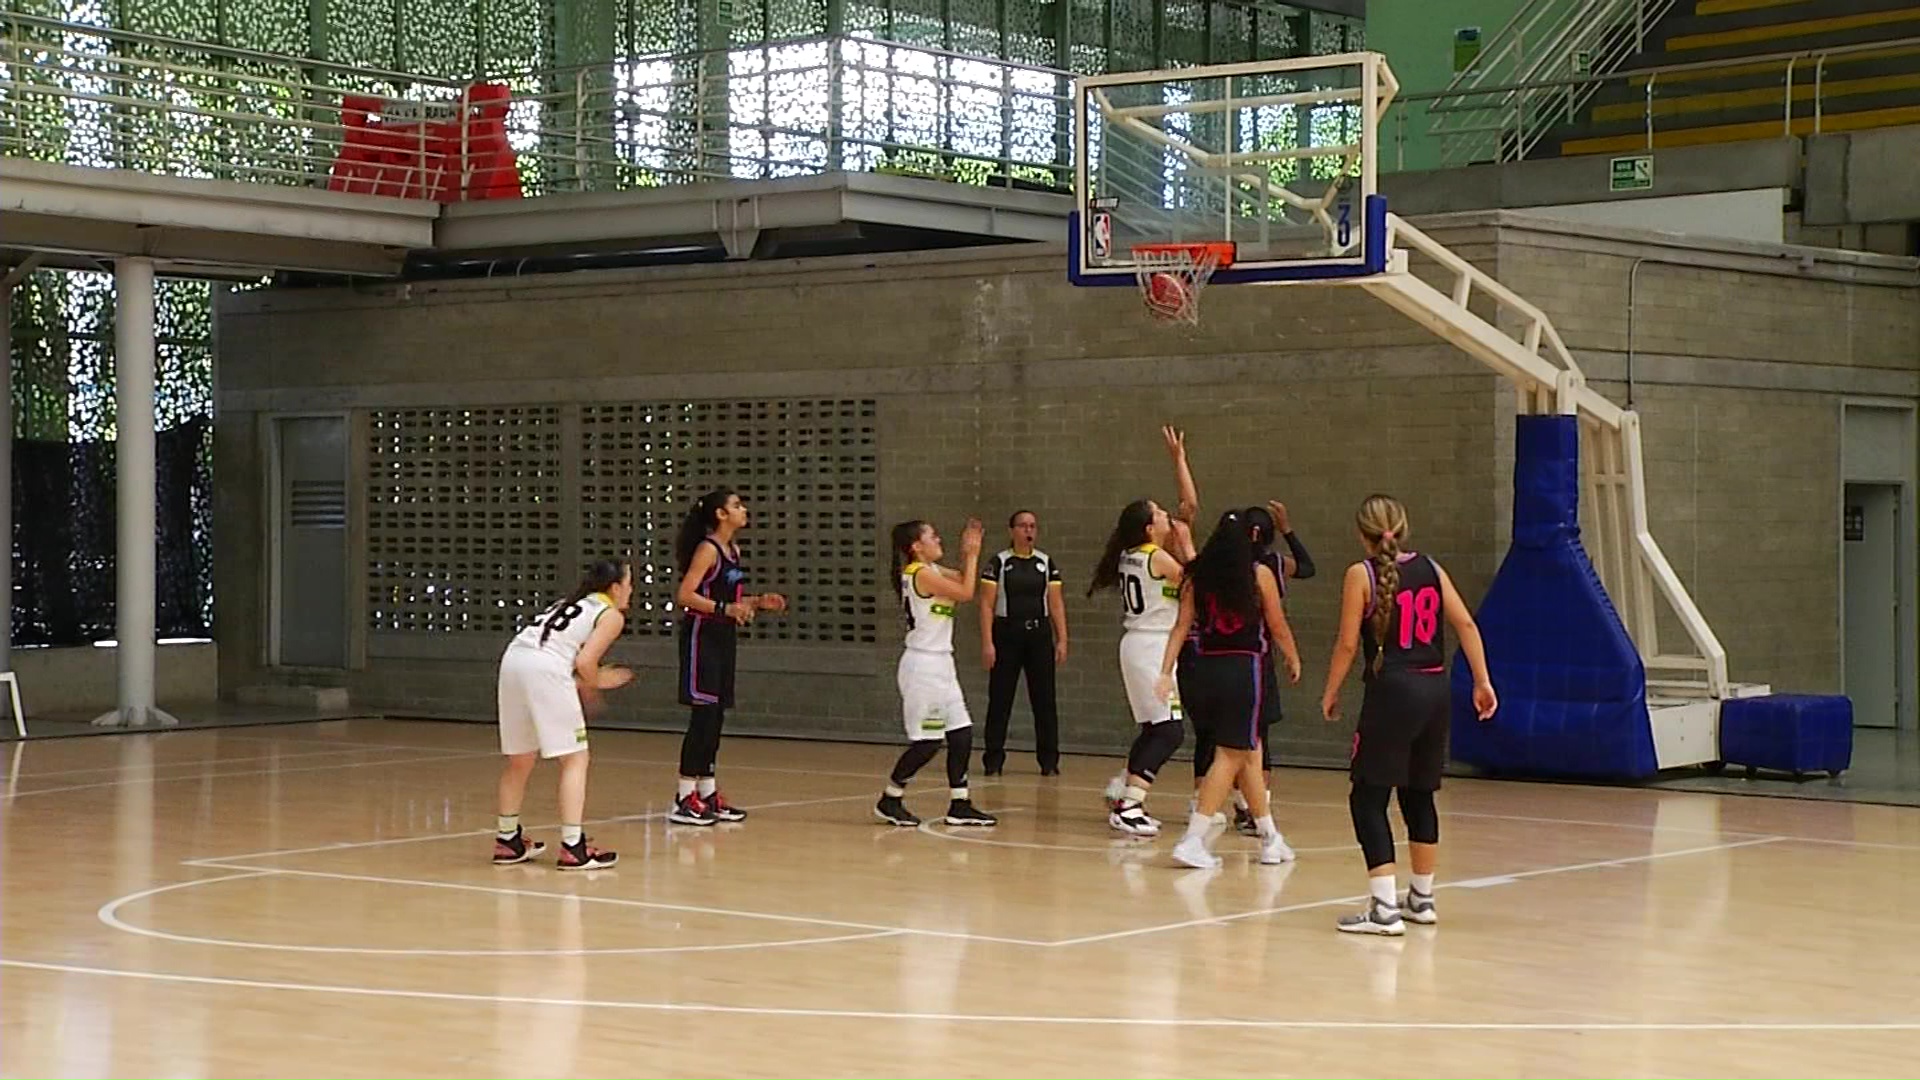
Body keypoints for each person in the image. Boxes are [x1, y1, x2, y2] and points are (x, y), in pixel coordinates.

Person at [1320, 495, 1497, 935]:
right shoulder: (1433, 569)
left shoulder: (1360, 574)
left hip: (1393, 691)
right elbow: (1468, 625)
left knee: (1367, 796)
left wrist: (1331, 690)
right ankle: (1421, 898)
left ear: (1362, 534)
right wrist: (1482, 680)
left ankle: (1383, 909)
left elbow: (1346, 645)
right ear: (1402, 528)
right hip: (1435, 689)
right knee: (1419, 794)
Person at [1155, 510, 1302, 869]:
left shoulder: (1196, 577)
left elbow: (1179, 627)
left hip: (1205, 668)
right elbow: (1278, 625)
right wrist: (1293, 657)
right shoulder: (1258, 574)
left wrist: (1165, 671)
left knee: (1249, 753)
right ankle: (1193, 838)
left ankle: (1270, 837)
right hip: (1243, 667)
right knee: (1231, 755)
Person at [492, 558, 634, 871]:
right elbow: (585, 663)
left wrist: (584, 683)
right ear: (614, 587)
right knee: (575, 759)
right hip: (545, 668)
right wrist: (598, 682)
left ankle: (507, 841)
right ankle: (573, 847)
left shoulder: (567, 603)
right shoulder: (609, 614)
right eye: (629, 583)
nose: (631, 590)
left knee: (520, 758)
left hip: (514, 661)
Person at [1094, 426, 1200, 836]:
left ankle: (1125, 792)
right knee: (1170, 730)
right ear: (1149, 527)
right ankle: (1130, 804)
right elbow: (1197, 579)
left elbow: (1188, 507)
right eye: (1159, 514)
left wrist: (1179, 461)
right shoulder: (1158, 558)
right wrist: (1189, 549)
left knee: (1156, 728)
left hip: (1138, 644)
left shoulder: (1132, 554)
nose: (1166, 517)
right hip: (1154, 647)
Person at [670, 488, 787, 826]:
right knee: (702, 717)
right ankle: (683, 796)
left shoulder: (733, 550)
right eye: (736, 505)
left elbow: (728, 600)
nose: (743, 508)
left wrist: (757, 602)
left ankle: (706, 792)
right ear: (721, 514)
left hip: (723, 636)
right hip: (700, 636)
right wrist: (725, 608)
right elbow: (685, 595)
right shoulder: (707, 549)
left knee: (717, 716)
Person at [875, 517, 998, 828]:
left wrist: (966, 555)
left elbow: (960, 578)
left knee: (961, 732)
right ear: (917, 546)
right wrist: (971, 554)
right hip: (923, 666)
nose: (938, 539)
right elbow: (966, 592)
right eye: (933, 536)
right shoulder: (919, 573)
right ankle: (890, 798)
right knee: (928, 741)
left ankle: (960, 803)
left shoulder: (930, 570)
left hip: (942, 663)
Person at [1208, 499, 1318, 836]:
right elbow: (1308, 567)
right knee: (1255, 739)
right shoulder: (1268, 565)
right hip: (1255, 655)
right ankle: (1252, 809)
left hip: (1217, 656)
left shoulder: (1219, 564)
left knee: (1227, 740)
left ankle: (1236, 806)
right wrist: (1289, 529)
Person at [979, 510, 1068, 776]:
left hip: (1039, 635)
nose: (1028, 531)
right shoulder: (999, 562)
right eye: (1022, 526)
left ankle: (1049, 761)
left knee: (1044, 699)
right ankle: (993, 759)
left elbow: (1055, 602)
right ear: (1012, 531)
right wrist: (987, 642)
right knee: (1000, 698)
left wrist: (1062, 638)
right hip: (1007, 633)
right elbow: (986, 603)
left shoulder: (1045, 562)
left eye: (1032, 526)